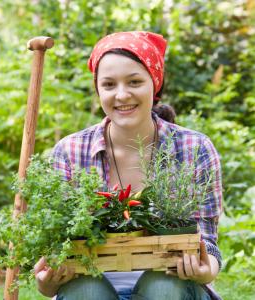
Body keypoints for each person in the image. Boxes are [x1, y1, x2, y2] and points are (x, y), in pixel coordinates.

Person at [34, 31, 223, 300]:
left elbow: (208, 241)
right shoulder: (70, 151)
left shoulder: (195, 148)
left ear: (154, 85)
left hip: (173, 288)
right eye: (109, 85)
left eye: (134, 81)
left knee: (163, 288)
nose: (122, 95)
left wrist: (205, 271)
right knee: (86, 292)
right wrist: (48, 283)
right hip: (90, 286)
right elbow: (56, 248)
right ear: (98, 89)